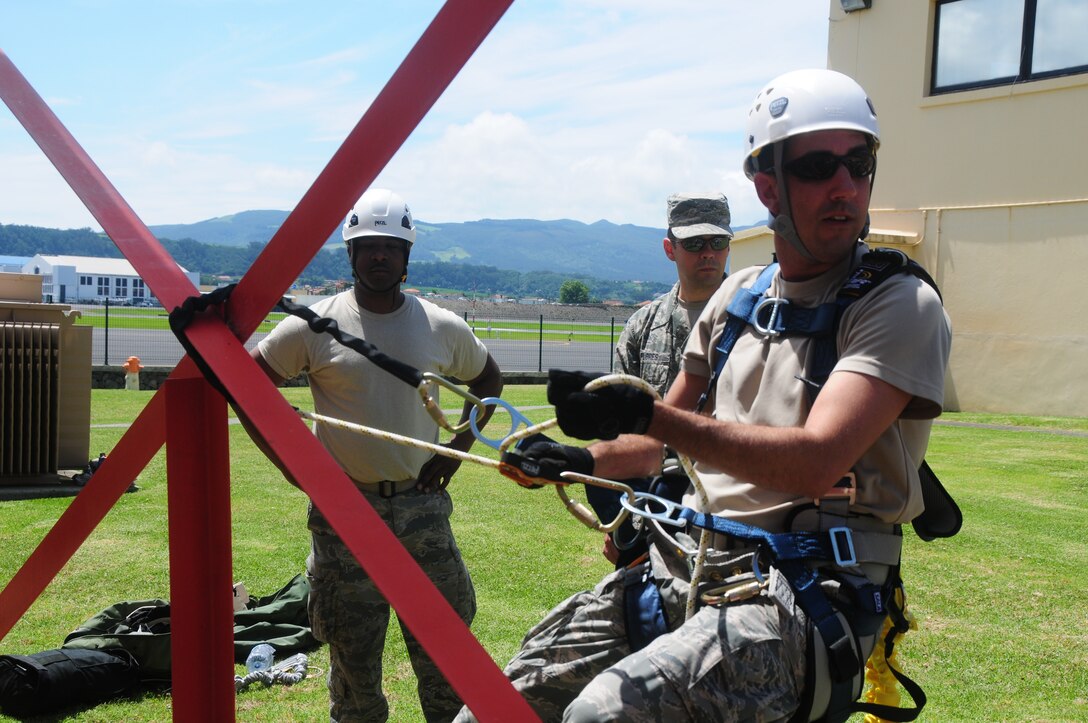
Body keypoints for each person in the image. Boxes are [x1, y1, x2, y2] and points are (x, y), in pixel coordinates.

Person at [456, 69, 951, 722]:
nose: (844, 185)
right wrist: (581, 460)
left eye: (859, 163)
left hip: (803, 599)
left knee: (603, 714)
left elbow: (815, 461)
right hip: (688, 569)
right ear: (767, 184)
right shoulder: (739, 298)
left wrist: (651, 412)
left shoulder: (896, 302)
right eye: (818, 166)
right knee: (495, 705)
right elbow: (658, 439)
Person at [249, 188, 503, 722]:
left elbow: (488, 378)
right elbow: (251, 390)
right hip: (346, 516)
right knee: (352, 663)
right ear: (351, 254)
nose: (379, 256)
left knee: (447, 658)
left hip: (422, 511)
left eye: (390, 246)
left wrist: (456, 449)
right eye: (368, 247)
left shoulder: (440, 325)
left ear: (406, 255)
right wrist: (300, 472)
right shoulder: (313, 325)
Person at [614, 192, 731, 398]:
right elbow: (622, 407)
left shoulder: (753, 322)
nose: (708, 252)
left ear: (728, 247)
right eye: (694, 243)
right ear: (670, 249)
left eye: (718, 242)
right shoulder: (642, 327)